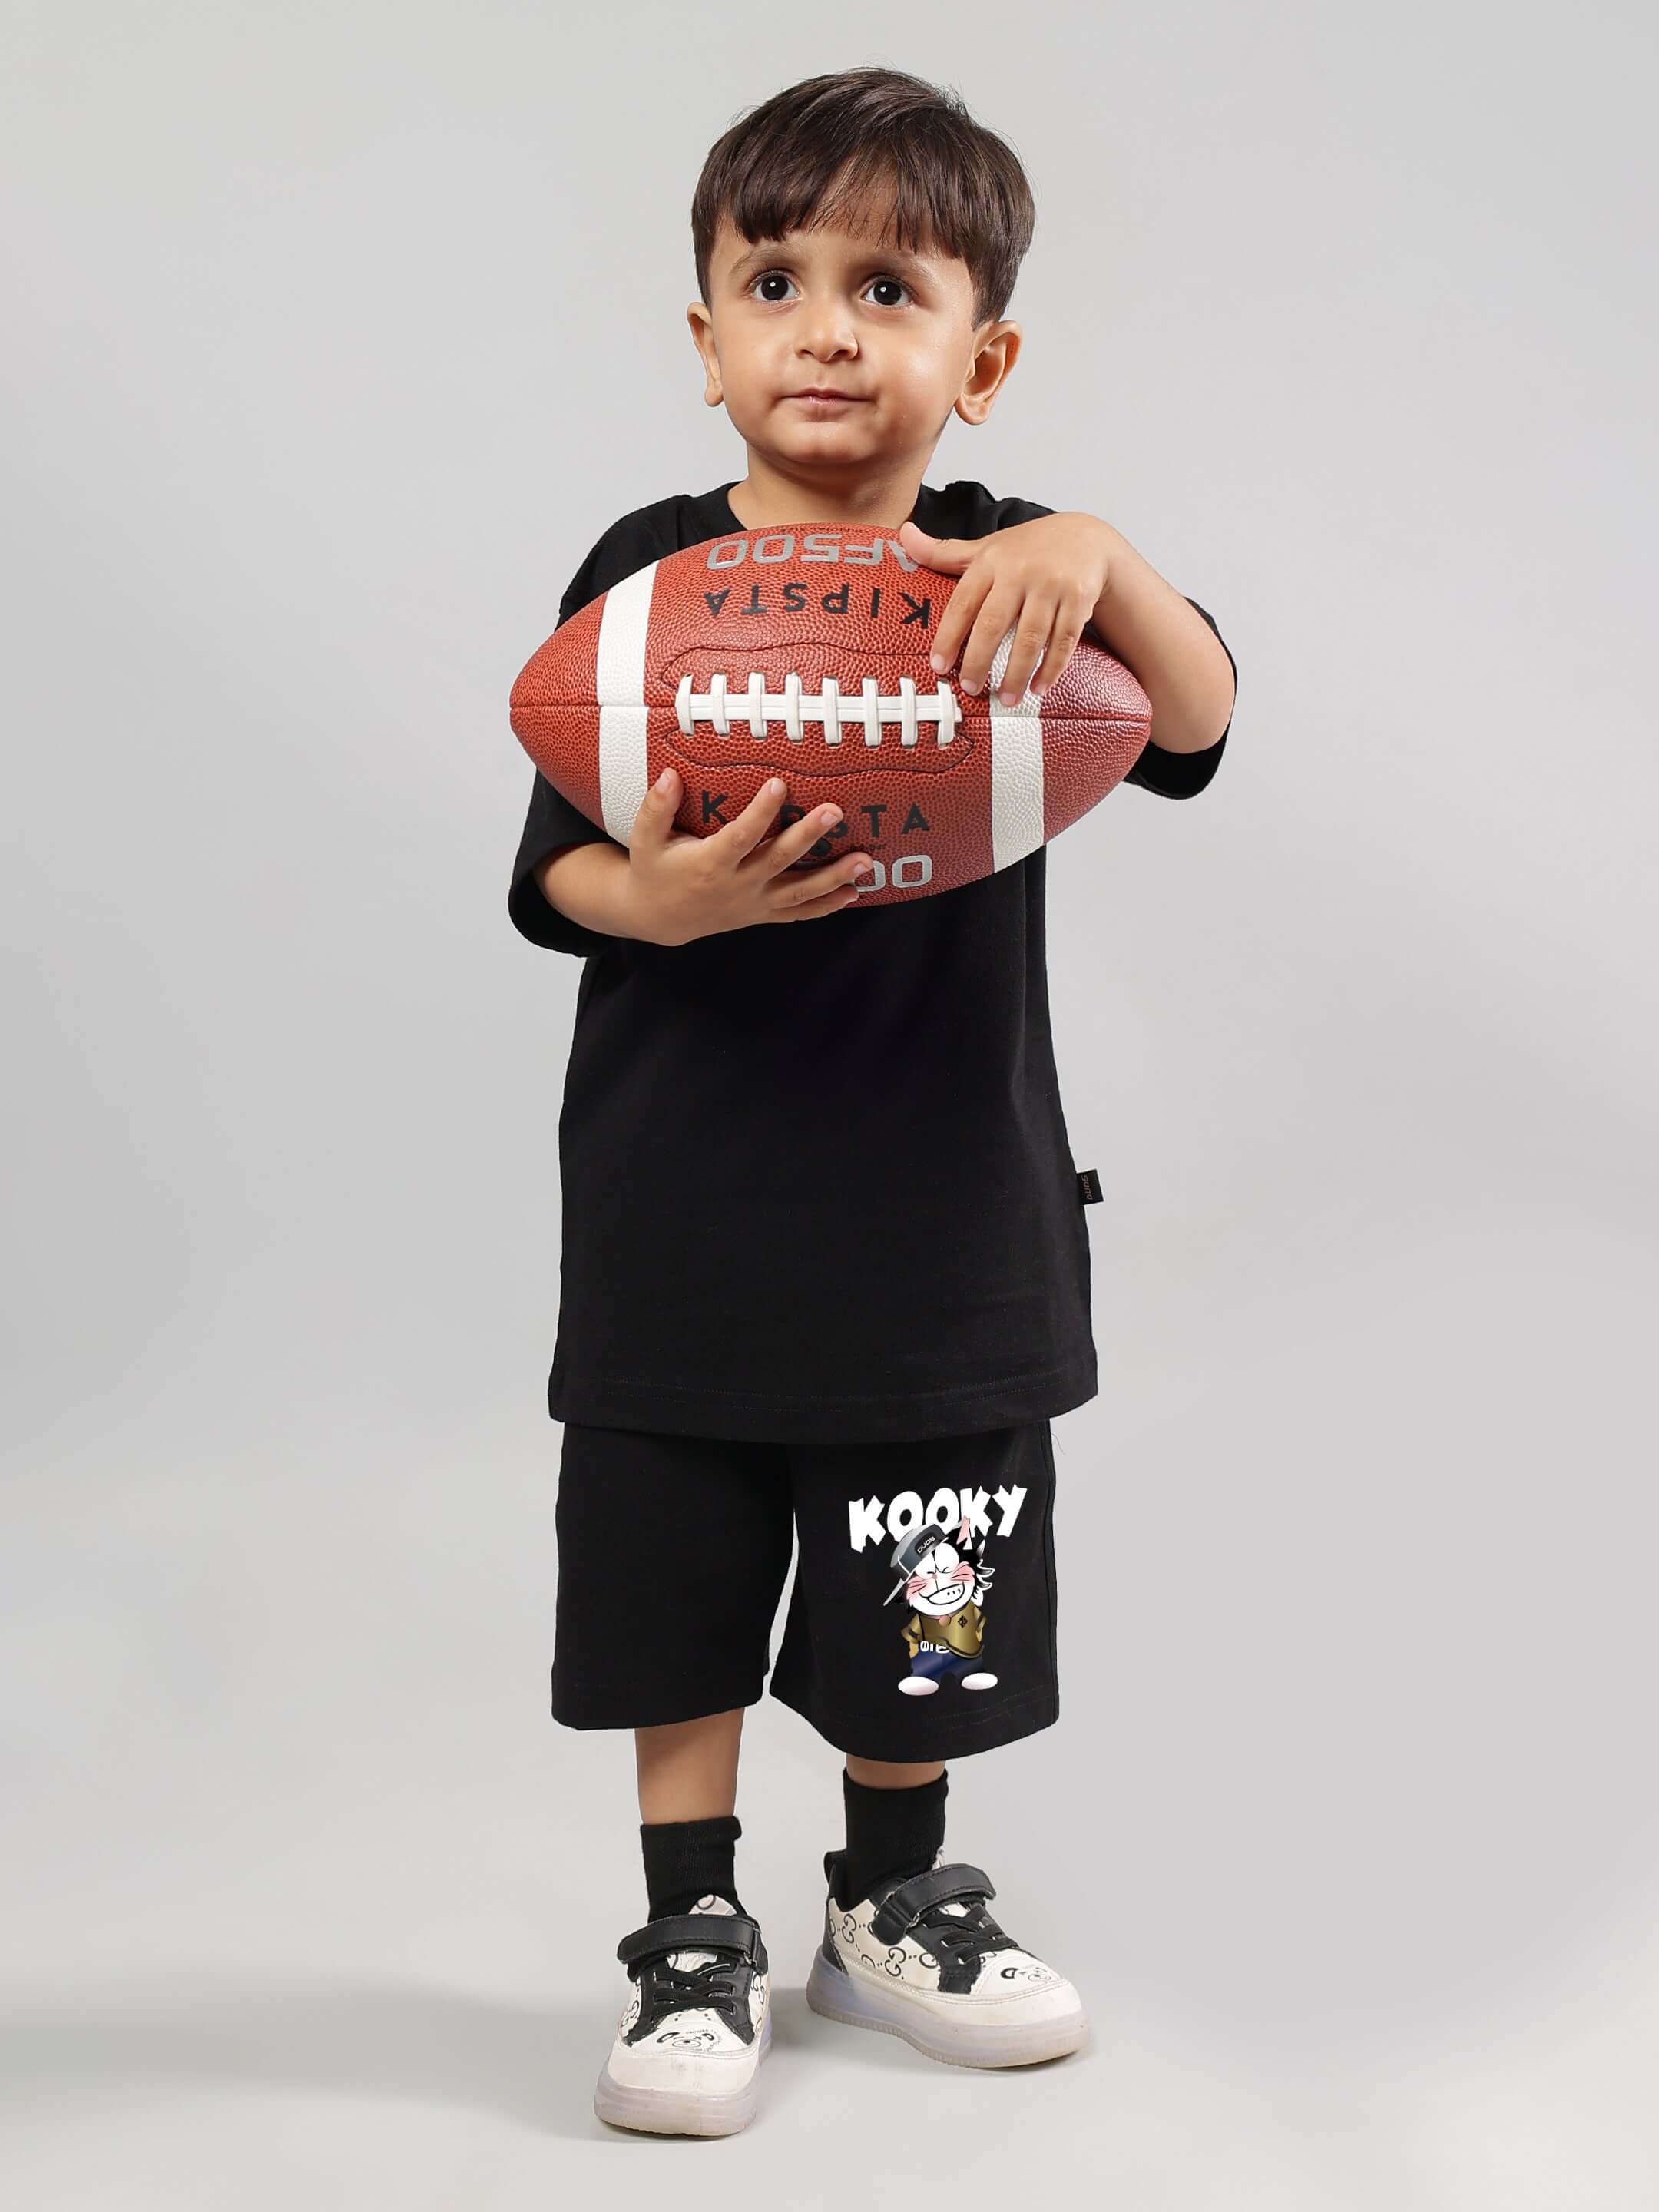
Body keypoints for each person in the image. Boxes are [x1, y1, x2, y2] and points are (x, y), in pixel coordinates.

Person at [505, 66, 1238, 2138]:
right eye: (776, 282)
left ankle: (890, 1899)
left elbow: (1194, 726)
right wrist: (659, 897)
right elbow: (549, 871)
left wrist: (1101, 552)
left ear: (979, 361)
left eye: (889, 288)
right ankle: (691, 1927)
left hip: (943, 1210)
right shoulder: (648, 577)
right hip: (683, 1200)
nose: (826, 329)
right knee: (677, 1581)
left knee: (925, 1577)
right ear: (708, 341)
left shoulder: (1016, 570)